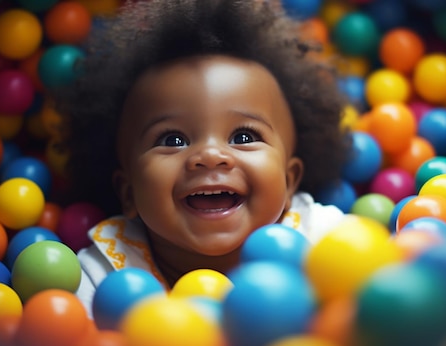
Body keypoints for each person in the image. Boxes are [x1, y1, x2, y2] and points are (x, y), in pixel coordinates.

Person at [50, 0, 351, 316]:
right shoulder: (104, 276)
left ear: (289, 182)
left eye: (243, 137)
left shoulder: (324, 240)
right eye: (173, 140)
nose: (209, 156)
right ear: (129, 192)